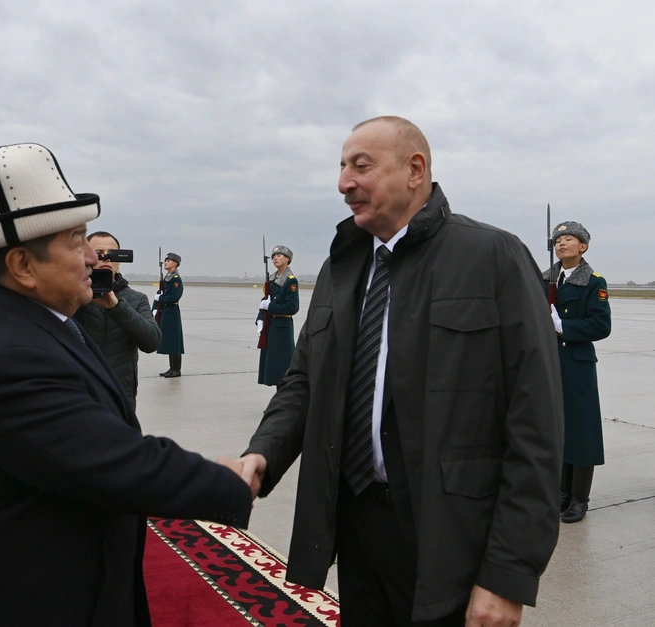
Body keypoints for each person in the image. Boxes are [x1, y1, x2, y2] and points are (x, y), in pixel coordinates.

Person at [237, 117, 564, 627]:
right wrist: (262, 452)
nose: (344, 182)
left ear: (415, 170)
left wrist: (508, 572)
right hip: (358, 523)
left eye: (361, 166)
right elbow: (304, 381)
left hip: (451, 534)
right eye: (341, 167)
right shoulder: (342, 267)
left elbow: (536, 421)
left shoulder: (492, 257)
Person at [0, 143, 254, 627]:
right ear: (22, 265)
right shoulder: (8, 358)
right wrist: (227, 482)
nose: (92, 259)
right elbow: (114, 460)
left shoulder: (37, 320)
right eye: (77, 241)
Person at [544, 221, 611, 524]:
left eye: (568, 239)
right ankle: (561, 492)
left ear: (582, 246)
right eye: (558, 240)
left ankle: (578, 498)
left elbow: (601, 325)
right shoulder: (546, 279)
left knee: (582, 430)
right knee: (557, 428)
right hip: (550, 362)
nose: (561, 243)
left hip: (578, 363)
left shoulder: (593, 282)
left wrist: (563, 327)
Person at [73, 231, 161, 409]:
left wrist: (116, 306)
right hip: (78, 395)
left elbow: (152, 342)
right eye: (98, 253)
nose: (106, 258)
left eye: (112, 254)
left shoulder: (137, 299)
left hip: (119, 397)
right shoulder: (72, 294)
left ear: (119, 260)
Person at [256, 245, 300, 386]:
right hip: (270, 327)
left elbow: (292, 307)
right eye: (274, 256)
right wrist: (260, 319)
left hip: (282, 329)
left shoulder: (290, 281)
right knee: (273, 367)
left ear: (287, 259)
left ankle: (284, 396)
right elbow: (265, 301)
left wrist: (270, 307)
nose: (275, 258)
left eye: (279, 256)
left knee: (283, 367)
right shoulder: (272, 280)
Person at [154, 252, 184, 378]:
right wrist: (155, 307)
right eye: (165, 260)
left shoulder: (176, 279)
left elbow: (174, 296)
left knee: (175, 341)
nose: (165, 263)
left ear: (175, 264)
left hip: (172, 313)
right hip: (166, 312)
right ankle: (172, 368)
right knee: (170, 341)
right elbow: (161, 293)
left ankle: (176, 369)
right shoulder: (168, 278)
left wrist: (161, 298)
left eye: (168, 261)